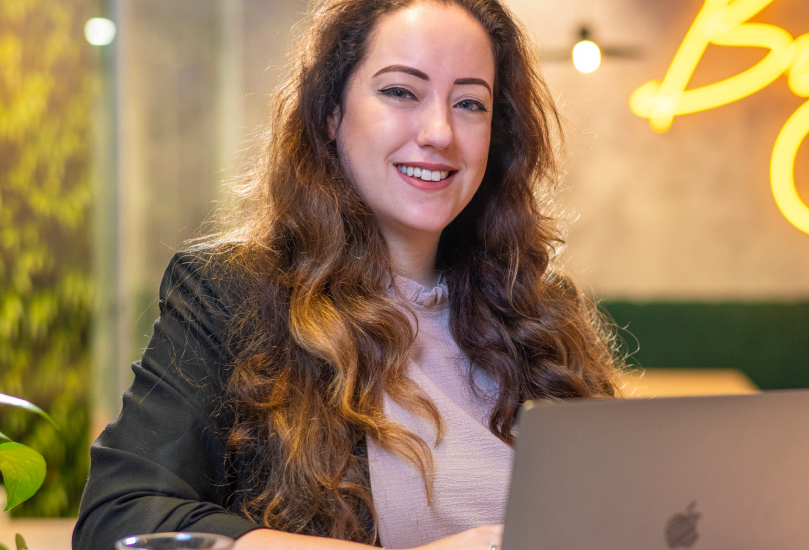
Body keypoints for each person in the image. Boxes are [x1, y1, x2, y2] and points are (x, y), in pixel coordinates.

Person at [72, 1, 621, 549]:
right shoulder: (232, 293)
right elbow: (121, 518)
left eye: (470, 103)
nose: (439, 132)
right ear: (331, 114)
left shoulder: (541, 312)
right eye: (401, 92)